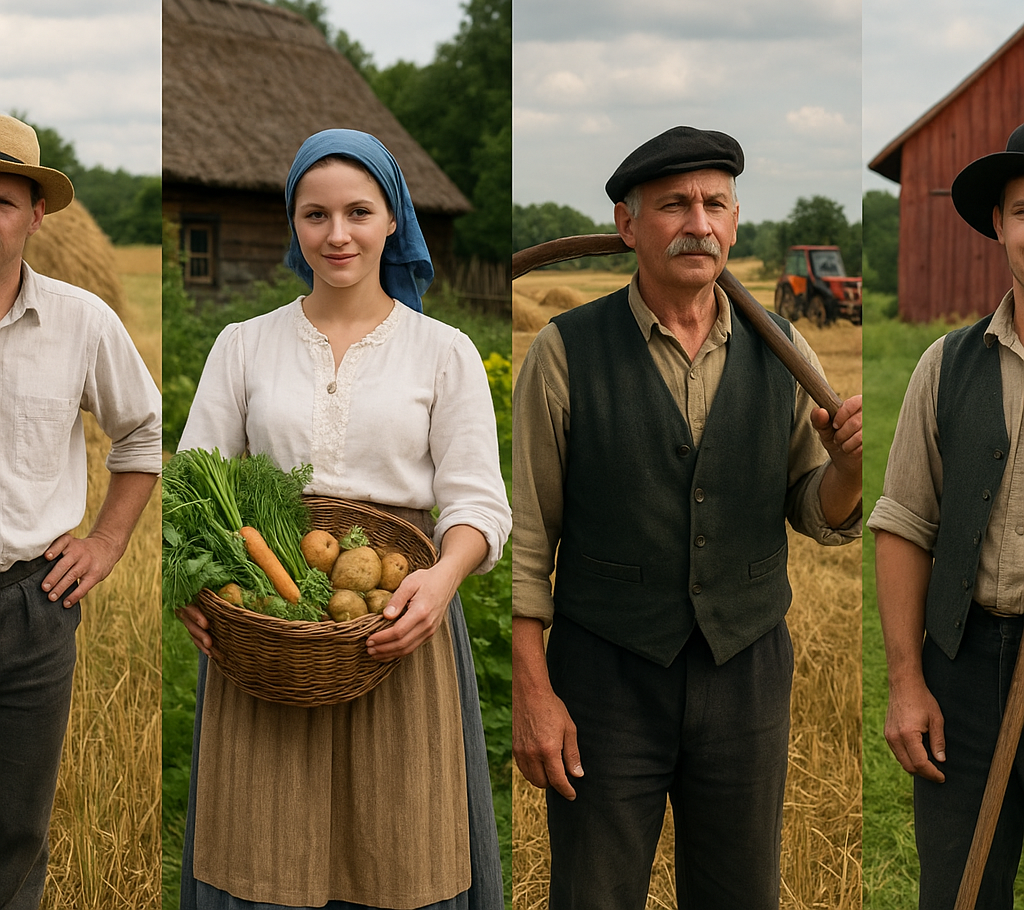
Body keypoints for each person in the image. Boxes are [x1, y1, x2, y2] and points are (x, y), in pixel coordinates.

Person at [512, 125, 863, 909]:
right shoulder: (563, 353)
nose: (698, 222)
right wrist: (534, 693)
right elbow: (528, 543)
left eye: (715, 204)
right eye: (674, 204)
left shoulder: (784, 351)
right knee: (594, 895)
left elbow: (816, 511)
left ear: (735, 222)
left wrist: (845, 470)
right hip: (605, 678)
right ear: (627, 224)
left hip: (746, 673)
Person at [173, 128, 512, 910]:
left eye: (358, 212)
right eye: (315, 214)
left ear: (393, 218)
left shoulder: (444, 351)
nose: (337, 234)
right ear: (293, 224)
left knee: (400, 847)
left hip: (396, 624)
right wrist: (195, 586)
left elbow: (476, 503)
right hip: (266, 626)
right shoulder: (243, 345)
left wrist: (441, 582)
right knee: (262, 846)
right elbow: (194, 486)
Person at [0, 114, 162, 910]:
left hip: (29, 608)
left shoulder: (81, 321)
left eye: (1, 202)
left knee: (15, 832)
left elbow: (144, 431)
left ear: (37, 216)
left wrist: (106, 540)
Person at [870, 124, 1024, 910]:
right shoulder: (946, 365)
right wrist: (906, 682)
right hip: (966, 669)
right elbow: (904, 523)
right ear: (998, 223)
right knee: (959, 891)